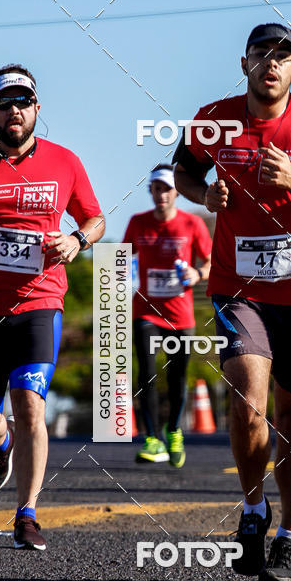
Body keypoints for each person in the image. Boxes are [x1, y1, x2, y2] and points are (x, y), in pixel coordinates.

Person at [173, 22, 291, 581]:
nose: (272, 65)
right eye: (262, 55)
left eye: (283, 57)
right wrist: (201, 193)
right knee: (247, 403)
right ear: (245, 63)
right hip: (239, 286)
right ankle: (254, 512)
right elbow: (181, 170)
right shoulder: (214, 117)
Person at [0, 64, 104, 550]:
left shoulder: (64, 161)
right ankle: (1, 443)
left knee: (31, 407)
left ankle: (26, 514)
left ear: (37, 109)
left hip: (41, 301)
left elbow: (95, 218)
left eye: (22, 102)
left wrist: (77, 240)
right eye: (3, 104)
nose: (13, 111)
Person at [123, 165, 212, 467]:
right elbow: (122, 258)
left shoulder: (192, 224)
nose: (161, 194)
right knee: (147, 374)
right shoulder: (138, 223)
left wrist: (196, 272)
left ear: (176, 192)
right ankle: (152, 438)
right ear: (151, 191)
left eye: (166, 188)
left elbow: (211, 262)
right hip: (146, 312)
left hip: (180, 317)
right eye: (156, 188)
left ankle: (173, 430)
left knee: (177, 378)